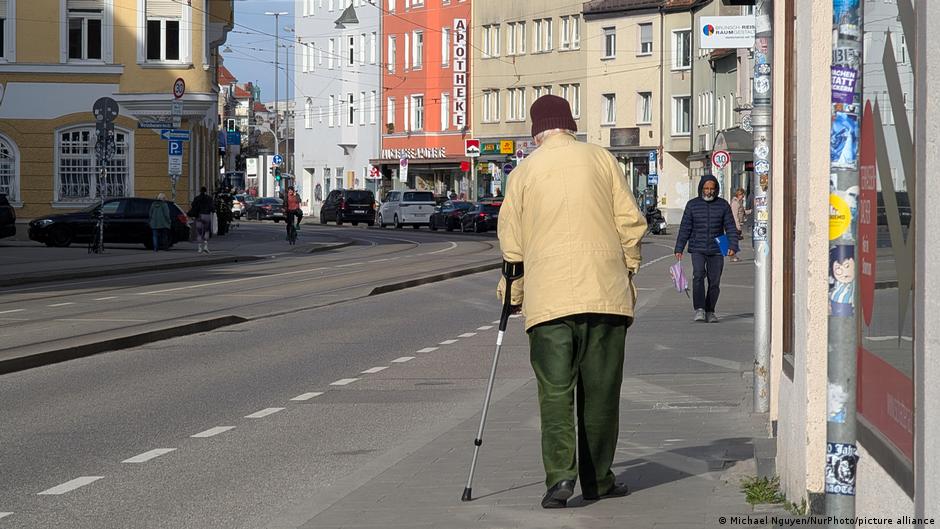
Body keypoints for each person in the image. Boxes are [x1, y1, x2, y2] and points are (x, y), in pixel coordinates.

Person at [497, 95, 647, 509]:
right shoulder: (602, 160)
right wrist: (627, 268)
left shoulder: (523, 173)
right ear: (570, 124)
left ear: (537, 131)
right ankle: (598, 479)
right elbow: (630, 223)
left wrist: (513, 296)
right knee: (601, 393)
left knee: (554, 393)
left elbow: (512, 247)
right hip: (605, 296)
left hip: (548, 304)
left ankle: (560, 480)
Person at [674, 175, 739, 323]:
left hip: (718, 245)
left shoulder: (723, 205)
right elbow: (685, 228)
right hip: (697, 245)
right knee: (698, 275)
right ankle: (700, 309)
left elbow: (730, 227)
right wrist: (679, 248)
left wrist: (732, 246)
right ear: (701, 189)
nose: (709, 192)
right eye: (706, 188)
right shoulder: (692, 205)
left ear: (716, 189)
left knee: (714, 281)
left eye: (712, 189)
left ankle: (710, 310)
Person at [190, 186, 214, 254]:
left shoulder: (197, 198)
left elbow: (193, 206)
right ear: (206, 191)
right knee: (206, 231)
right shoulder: (209, 198)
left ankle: (199, 248)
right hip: (206, 215)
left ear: (200, 191)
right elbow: (212, 207)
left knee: (199, 232)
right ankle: (206, 247)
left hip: (199, 216)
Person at [729, 188, 751, 262]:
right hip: (734, 225)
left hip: (738, 224)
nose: (743, 196)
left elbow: (743, 212)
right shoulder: (735, 203)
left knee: (735, 241)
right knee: (734, 241)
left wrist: (751, 211)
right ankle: (732, 256)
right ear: (738, 195)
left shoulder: (739, 202)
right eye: (742, 195)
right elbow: (735, 216)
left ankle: (733, 255)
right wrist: (738, 227)